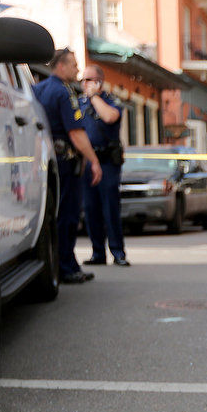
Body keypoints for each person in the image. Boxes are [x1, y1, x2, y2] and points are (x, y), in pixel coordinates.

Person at [33, 48, 102, 284]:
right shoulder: (64, 93)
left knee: (55, 215)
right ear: (60, 66)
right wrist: (94, 160)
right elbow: (75, 132)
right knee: (68, 216)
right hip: (65, 161)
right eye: (73, 64)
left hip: (48, 161)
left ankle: (66, 263)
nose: (77, 69)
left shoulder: (38, 88)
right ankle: (66, 266)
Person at [78, 65, 128, 267]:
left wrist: (95, 97)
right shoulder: (79, 103)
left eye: (89, 80)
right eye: (83, 80)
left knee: (110, 208)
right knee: (90, 209)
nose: (85, 84)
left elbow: (109, 117)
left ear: (99, 82)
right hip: (88, 163)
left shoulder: (109, 100)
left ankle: (118, 253)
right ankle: (98, 253)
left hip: (107, 161)